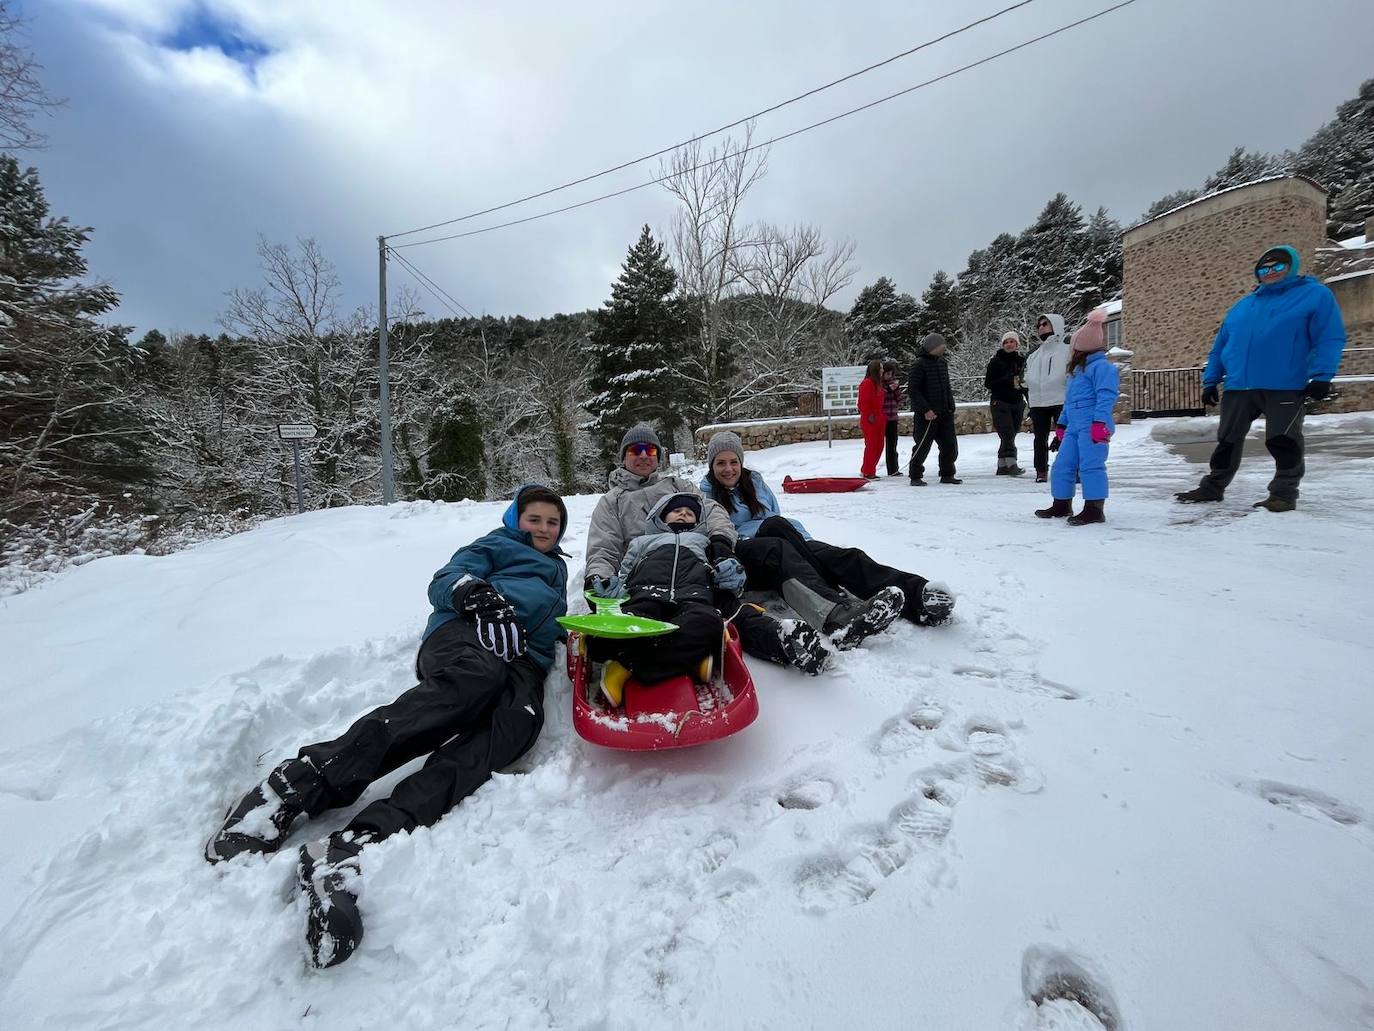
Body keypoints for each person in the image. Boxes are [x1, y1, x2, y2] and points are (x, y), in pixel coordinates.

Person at [205, 485, 570, 968]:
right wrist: (477, 596)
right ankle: (295, 787)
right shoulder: (493, 546)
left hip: (523, 660)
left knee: (515, 727)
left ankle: (356, 845)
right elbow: (446, 578)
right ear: (514, 519)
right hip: (468, 636)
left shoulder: (558, 570)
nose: (544, 528)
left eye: (553, 522)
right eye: (534, 519)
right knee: (471, 684)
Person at [586, 423, 830, 675]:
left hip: (695, 572)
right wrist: (600, 580)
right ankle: (683, 656)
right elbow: (603, 546)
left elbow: (713, 512)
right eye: (636, 449)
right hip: (647, 579)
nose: (644, 455)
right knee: (634, 619)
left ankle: (782, 639)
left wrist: (723, 550)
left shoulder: (677, 486)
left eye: (651, 450)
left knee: (722, 615)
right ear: (624, 455)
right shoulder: (612, 501)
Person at [702, 430, 956, 630]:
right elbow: (717, 534)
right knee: (776, 533)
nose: (728, 469)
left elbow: (775, 513)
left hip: (787, 539)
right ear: (712, 466)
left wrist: (806, 544)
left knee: (843, 556)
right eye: (721, 463)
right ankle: (839, 610)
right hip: (752, 552)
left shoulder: (754, 481)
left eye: (734, 462)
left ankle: (918, 596)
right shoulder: (705, 494)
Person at [1175, 245, 1347, 512]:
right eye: (1264, 269)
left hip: (1285, 384)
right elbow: (1221, 345)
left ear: (1291, 266)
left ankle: (1283, 493)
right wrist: (1211, 380)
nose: (1271, 273)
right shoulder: (1244, 305)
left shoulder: (1314, 295)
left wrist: (1322, 375)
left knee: (1283, 440)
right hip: (1239, 386)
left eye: (1278, 267)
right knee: (1227, 441)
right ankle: (1213, 487)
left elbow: (1329, 337)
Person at [589, 493, 725, 704]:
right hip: (645, 593)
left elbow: (718, 570)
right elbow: (626, 571)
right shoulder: (642, 542)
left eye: (690, 513)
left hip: (692, 596)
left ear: (698, 522)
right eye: (677, 511)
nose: (683, 515)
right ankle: (690, 658)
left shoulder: (704, 541)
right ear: (661, 516)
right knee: (626, 625)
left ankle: (623, 667)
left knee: (708, 623)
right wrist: (616, 592)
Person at [1035, 312, 1120, 525]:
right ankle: (1062, 504)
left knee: (1091, 465)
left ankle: (1094, 508)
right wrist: (1062, 424)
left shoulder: (1102, 368)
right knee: (1063, 464)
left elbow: (1106, 396)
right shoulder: (1076, 371)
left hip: (1093, 424)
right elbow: (1070, 400)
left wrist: (1100, 422)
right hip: (1074, 425)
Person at [908, 333, 961, 486]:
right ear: (933, 346)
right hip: (926, 415)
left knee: (950, 446)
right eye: (941, 345)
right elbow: (913, 390)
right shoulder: (918, 364)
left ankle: (947, 473)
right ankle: (915, 475)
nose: (944, 347)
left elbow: (947, 386)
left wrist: (951, 405)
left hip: (944, 412)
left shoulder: (942, 362)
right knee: (922, 446)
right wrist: (925, 409)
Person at [1024, 313, 1069, 483]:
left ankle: (1070, 468)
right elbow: (1027, 378)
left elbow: (1072, 375)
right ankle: (1041, 470)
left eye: (1045, 324)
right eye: (1039, 325)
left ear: (1056, 325)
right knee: (1039, 439)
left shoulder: (1067, 350)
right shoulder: (1034, 355)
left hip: (1060, 401)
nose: (1041, 327)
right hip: (1038, 402)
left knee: (1065, 436)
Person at [985, 331, 1028, 476]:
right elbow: (988, 383)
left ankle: (1002, 465)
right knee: (1007, 433)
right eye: (1006, 342)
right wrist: (1006, 379)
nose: (1009, 344)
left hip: (1017, 401)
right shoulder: (996, 361)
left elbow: (1026, 381)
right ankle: (1011, 463)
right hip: (1000, 401)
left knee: (1011, 433)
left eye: (1012, 341)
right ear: (1002, 345)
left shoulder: (1022, 361)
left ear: (1017, 344)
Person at [857, 359, 886, 479]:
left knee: (879, 445)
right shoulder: (867, 383)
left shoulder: (878, 384)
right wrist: (870, 414)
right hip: (871, 419)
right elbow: (862, 403)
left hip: (879, 417)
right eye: (881, 368)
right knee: (872, 445)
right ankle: (868, 471)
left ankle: (869, 469)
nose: (882, 370)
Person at [881, 360, 904, 476]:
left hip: (893, 417)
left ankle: (893, 469)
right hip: (882, 418)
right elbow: (880, 397)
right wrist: (888, 389)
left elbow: (900, 400)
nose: (889, 376)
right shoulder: (879, 385)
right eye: (887, 374)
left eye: (891, 374)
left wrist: (896, 391)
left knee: (892, 444)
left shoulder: (894, 384)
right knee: (878, 445)